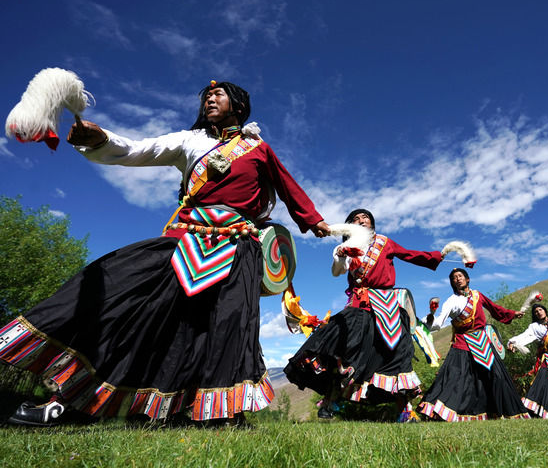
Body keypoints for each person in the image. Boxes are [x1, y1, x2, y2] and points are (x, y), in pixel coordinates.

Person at [0, 80, 331, 426]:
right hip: (187, 239)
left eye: (218, 94)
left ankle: (220, 414)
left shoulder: (258, 148)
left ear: (238, 105)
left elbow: (287, 185)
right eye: (206, 97)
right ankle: (76, 400)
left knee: (228, 327)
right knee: (133, 305)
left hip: (239, 246)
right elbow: (140, 149)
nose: (209, 99)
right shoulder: (190, 141)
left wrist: (315, 220)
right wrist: (102, 140)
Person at [283, 208, 442, 421]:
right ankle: (332, 398)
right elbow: (337, 272)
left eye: (365, 217)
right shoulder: (345, 246)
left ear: (372, 223)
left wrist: (436, 257)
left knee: (397, 354)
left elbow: (409, 254)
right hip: (361, 303)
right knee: (342, 344)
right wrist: (341, 257)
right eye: (356, 219)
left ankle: (405, 411)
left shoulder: (385, 242)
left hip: (389, 305)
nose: (361, 220)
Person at [417, 268, 529, 421]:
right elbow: (438, 323)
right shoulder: (451, 301)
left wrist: (512, 314)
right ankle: (440, 411)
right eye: (454, 278)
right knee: (455, 376)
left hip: (483, 341)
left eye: (460, 276)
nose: (457, 279)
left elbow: (495, 309)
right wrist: (430, 317)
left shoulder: (477, 295)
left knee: (496, 376)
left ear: (467, 279)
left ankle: (500, 412)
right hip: (462, 342)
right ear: (452, 283)